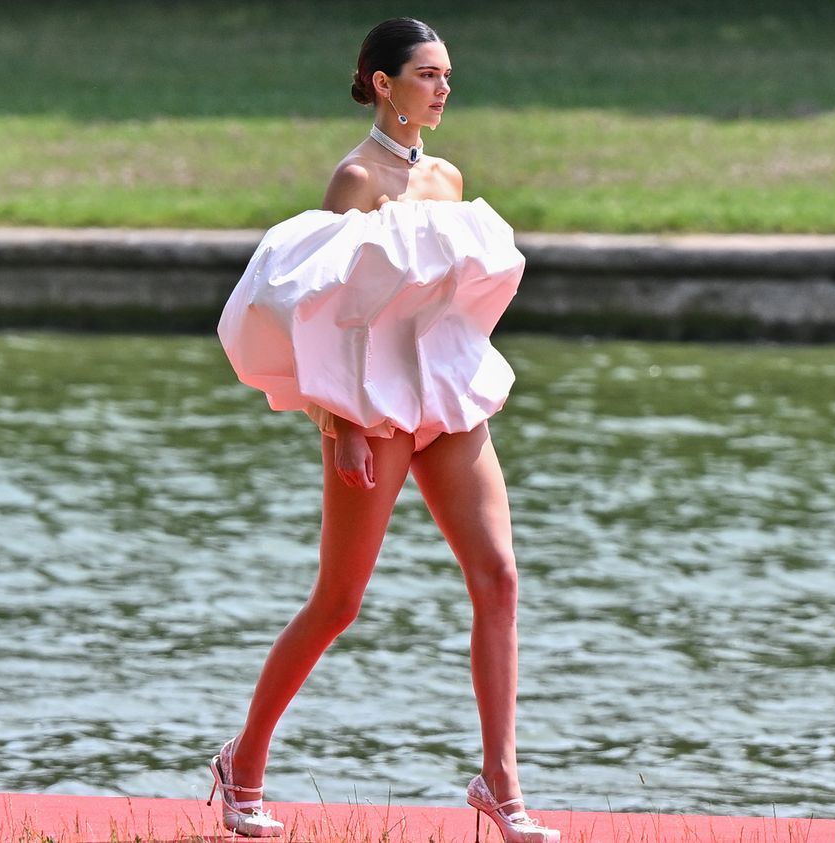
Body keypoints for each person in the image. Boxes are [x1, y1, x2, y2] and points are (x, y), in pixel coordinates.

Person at [209, 17, 560, 843]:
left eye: (447, 76)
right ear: (381, 82)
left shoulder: (446, 178)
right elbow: (319, 313)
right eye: (428, 74)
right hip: (369, 409)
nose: (443, 88)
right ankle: (242, 762)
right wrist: (343, 425)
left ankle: (500, 782)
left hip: (444, 398)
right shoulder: (355, 180)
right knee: (339, 600)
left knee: (499, 577)